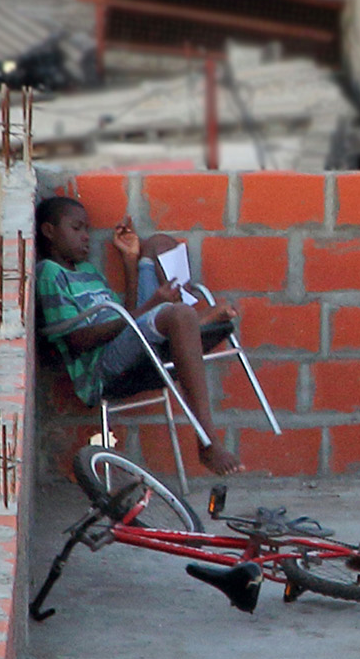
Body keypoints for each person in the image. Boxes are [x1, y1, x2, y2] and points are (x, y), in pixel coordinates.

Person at [34, 195, 242, 475]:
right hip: (101, 365)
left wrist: (130, 260)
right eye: (77, 228)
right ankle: (207, 441)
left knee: (159, 245)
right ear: (49, 231)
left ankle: (183, 323)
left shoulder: (88, 271)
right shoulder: (50, 273)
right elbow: (76, 340)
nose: (86, 237)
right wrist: (152, 306)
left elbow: (125, 312)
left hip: (127, 336)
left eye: (87, 229)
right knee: (176, 315)